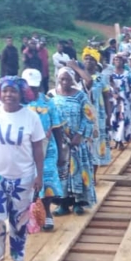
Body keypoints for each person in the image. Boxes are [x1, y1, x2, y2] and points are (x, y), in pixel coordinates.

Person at [0, 76, 45, 261]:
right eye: (5, 90)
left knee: (19, 220)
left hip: (22, 179)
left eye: (13, 91)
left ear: (21, 93)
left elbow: (38, 150)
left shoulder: (31, 117)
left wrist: (39, 176)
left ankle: (18, 255)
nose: (9, 95)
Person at [51, 67, 97, 216]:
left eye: (68, 79)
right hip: (59, 142)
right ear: (57, 78)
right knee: (62, 172)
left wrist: (79, 135)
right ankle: (63, 204)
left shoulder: (81, 96)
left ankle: (78, 203)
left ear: (73, 80)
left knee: (78, 170)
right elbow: (48, 117)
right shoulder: (51, 95)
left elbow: (88, 116)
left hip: (77, 141)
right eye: (62, 79)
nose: (64, 82)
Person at [23, 69, 64, 231]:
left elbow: (57, 129)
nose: (32, 90)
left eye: (35, 87)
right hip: (24, 149)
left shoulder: (48, 102)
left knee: (46, 179)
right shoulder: (18, 103)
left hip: (47, 147)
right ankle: (29, 215)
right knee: (26, 182)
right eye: (29, 87)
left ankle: (47, 212)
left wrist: (61, 153)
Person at [80, 51, 111, 181]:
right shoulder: (77, 77)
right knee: (83, 145)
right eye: (86, 59)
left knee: (96, 145)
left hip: (98, 117)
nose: (88, 61)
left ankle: (93, 176)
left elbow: (106, 96)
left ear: (96, 62)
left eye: (91, 59)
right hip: (81, 118)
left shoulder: (101, 78)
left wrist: (109, 115)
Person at [110, 53, 131, 149]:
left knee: (122, 120)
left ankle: (120, 140)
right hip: (113, 100)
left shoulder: (128, 74)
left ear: (123, 62)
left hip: (125, 101)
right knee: (113, 120)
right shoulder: (110, 73)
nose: (117, 61)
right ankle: (116, 140)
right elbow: (107, 86)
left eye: (119, 60)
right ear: (113, 61)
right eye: (116, 59)